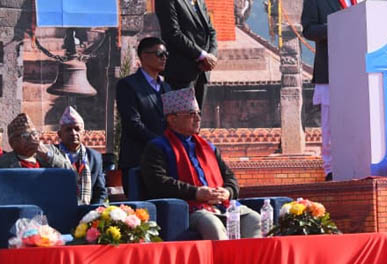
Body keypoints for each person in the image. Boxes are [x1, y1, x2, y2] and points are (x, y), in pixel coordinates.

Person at [141, 88, 261, 240]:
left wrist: (228, 192)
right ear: (172, 119)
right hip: (190, 209)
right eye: (191, 114)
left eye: (198, 113)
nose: (197, 119)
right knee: (213, 225)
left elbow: (230, 177)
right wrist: (196, 193)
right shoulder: (158, 147)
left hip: (223, 205)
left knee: (255, 220)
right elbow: (158, 183)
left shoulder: (208, 147)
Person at [300, 0, 362, 181]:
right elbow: (309, 29)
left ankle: (357, 163)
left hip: (357, 70)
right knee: (331, 123)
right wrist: (338, 25)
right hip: (331, 68)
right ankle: (331, 168)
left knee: (357, 120)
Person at [155, 0, 218, 109]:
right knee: (181, 120)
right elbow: (172, 33)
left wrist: (211, 55)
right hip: (181, 72)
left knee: (196, 122)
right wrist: (200, 55)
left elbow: (210, 30)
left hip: (202, 71)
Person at [116, 37, 173, 184]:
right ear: (144, 56)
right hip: (138, 159)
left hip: (165, 162)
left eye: (166, 54)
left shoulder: (167, 88)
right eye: (160, 54)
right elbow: (132, 123)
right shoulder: (128, 85)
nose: (165, 58)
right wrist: (160, 142)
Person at [56, 107, 106, 205]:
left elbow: (100, 191)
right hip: (58, 209)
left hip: (87, 212)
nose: (73, 133)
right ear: (60, 134)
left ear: (83, 133)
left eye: (77, 129)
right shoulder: (52, 154)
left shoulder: (94, 157)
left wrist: (93, 214)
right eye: (68, 129)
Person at [0, 113, 73, 171]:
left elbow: (71, 173)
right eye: (25, 136)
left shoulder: (51, 150)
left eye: (34, 133)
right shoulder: (4, 162)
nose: (32, 138)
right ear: (13, 142)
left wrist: (48, 156)